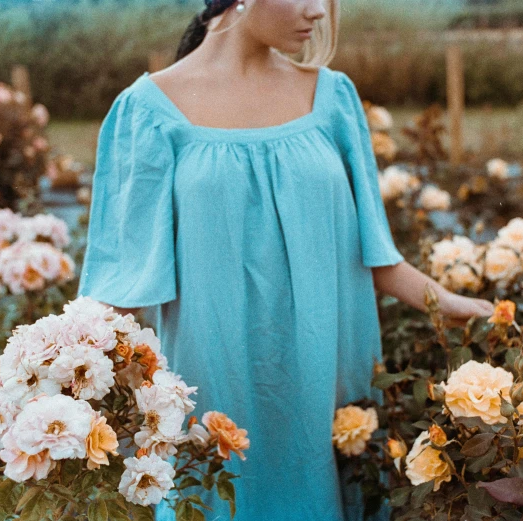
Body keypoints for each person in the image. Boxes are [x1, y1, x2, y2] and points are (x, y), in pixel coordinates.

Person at [77, 0, 494, 519]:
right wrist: (59, 378)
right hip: (215, 383)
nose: (319, 12)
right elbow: (120, 281)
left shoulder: (333, 97)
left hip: (330, 375)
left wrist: (449, 302)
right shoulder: (146, 111)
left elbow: (377, 253)